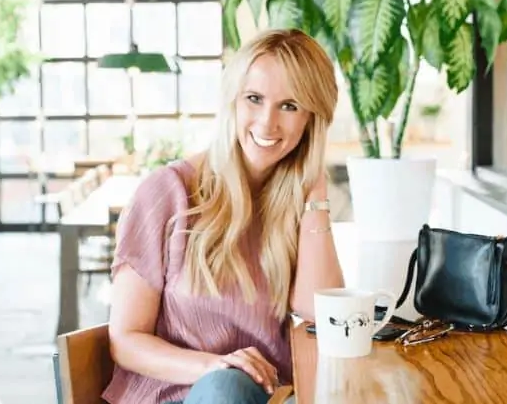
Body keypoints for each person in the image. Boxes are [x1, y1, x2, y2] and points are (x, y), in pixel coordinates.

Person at [102, 28, 345, 404]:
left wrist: (315, 190)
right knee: (225, 389)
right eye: (254, 99)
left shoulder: (293, 205)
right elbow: (125, 341)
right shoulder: (168, 194)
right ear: (232, 100)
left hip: (259, 398)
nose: (267, 123)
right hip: (176, 395)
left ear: (312, 120)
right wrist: (215, 366)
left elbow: (318, 310)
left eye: (290, 105)